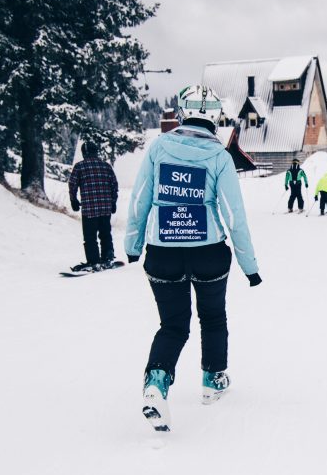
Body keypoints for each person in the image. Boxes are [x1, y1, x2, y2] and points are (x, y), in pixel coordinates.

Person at [125, 84, 262, 432]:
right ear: (214, 116)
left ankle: (156, 384)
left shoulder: (158, 148)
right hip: (209, 254)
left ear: (184, 112)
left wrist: (133, 244)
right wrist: (250, 268)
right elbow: (234, 216)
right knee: (213, 317)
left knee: (173, 325)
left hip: (163, 252)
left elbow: (141, 198)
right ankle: (212, 381)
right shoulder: (218, 157)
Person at [68, 140, 119, 270]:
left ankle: (94, 261)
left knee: (90, 237)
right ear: (96, 151)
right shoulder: (106, 166)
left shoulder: (79, 167)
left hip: (89, 209)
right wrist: (113, 202)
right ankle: (108, 257)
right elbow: (114, 185)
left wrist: (73, 200)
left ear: (84, 153)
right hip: (105, 207)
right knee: (105, 233)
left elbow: (72, 184)